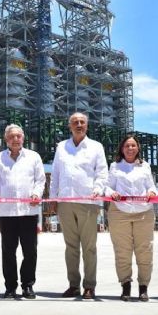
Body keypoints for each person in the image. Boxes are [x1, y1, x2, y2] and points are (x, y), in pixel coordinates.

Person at [49, 112, 108, 300]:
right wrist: (53, 199)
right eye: (75, 122)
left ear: (87, 126)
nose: (79, 125)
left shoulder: (96, 147)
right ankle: (73, 285)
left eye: (82, 122)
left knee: (89, 247)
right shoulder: (61, 147)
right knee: (70, 246)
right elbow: (56, 174)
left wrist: (98, 190)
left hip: (88, 203)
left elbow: (102, 173)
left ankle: (89, 286)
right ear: (70, 126)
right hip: (66, 202)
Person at [0, 124, 46, 299]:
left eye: (18, 136)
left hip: (29, 211)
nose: (15, 139)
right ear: (6, 139)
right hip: (7, 213)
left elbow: (40, 180)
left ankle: (28, 285)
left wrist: (37, 193)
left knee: (30, 251)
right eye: (12, 136)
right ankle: (10, 287)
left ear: (23, 138)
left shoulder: (33, 157)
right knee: (8, 252)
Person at [105, 135, 158, 302]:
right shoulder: (115, 166)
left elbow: (151, 186)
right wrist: (111, 193)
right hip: (120, 212)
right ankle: (125, 285)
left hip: (143, 212)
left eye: (133, 145)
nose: (130, 148)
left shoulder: (145, 166)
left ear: (138, 148)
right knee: (122, 251)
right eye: (127, 145)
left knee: (145, 251)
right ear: (122, 148)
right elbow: (107, 186)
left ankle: (143, 287)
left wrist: (152, 192)